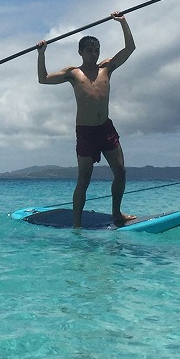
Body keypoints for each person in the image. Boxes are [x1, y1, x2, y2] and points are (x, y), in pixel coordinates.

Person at [37, 12, 138, 229]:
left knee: (120, 171)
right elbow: (43, 79)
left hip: (106, 129)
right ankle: (76, 225)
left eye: (96, 51)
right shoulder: (73, 73)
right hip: (86, 132)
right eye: (89, 51)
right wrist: (42, 53)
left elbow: (130, 48)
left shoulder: (107, 68)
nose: (94, 54)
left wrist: (123, 23)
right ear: (81, 52)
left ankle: (116, 213)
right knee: (84, 180)